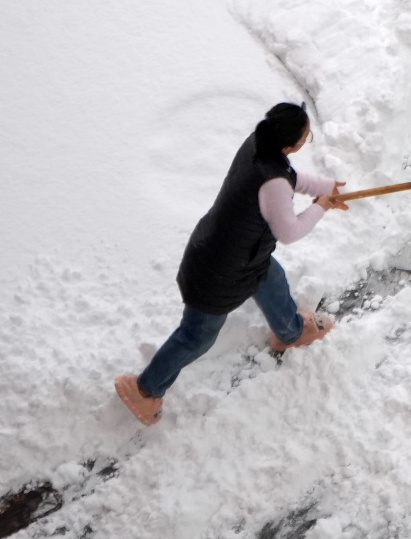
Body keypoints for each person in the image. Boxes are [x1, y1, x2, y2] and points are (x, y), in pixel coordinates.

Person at [115, 102, 348, 425]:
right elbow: (289, 230)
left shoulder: (259, 143)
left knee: (272, 277)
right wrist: (322, 206)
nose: (306, 141)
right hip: (219, 273)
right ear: (288, 144)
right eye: (306, 137)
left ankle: (291, 332)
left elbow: (285, 177)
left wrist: (325, 187)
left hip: (236, 253)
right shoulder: (273, 181)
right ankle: (145, 391)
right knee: (197, 336)